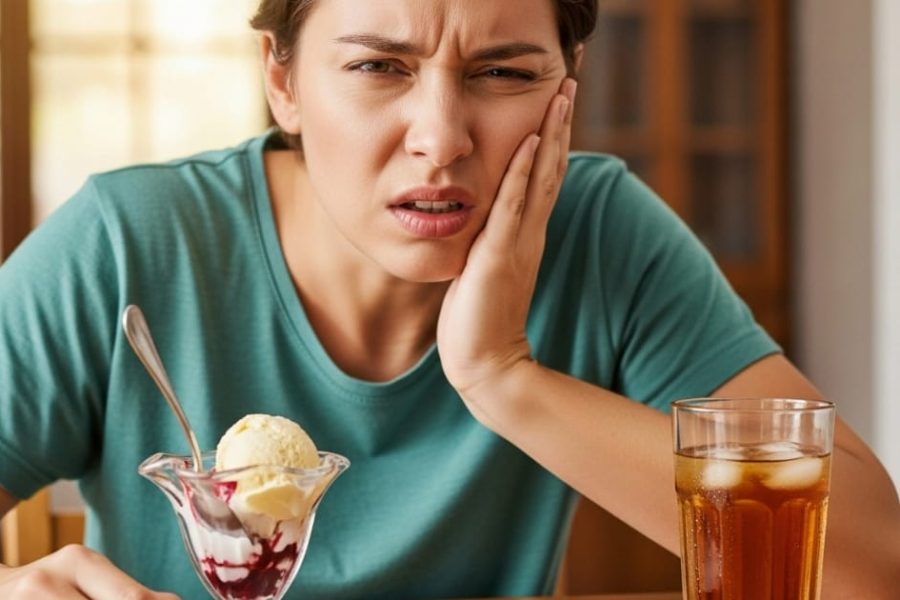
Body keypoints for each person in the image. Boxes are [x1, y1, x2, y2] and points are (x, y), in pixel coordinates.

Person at [0, 0, 897, 598]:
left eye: (503, 75)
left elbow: (868, 565)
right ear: (283, 80)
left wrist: (503, 375)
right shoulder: (128, 242)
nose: (441, 139)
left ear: (567, 88)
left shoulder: (600, 234)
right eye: (378, 67)